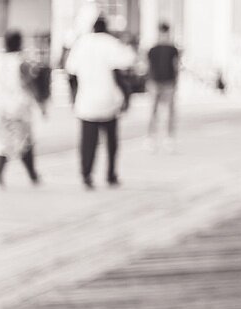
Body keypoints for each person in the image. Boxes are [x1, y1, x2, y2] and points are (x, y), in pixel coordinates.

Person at [65, 16, 133, 190]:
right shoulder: (111, 43)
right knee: (111, 141)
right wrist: (126, 96)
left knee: (88, 142)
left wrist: (72, 97)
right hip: (109, 99)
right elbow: (119, 73)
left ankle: (86, 175)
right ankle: (110, 174)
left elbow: (71, 74)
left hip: (86, 101)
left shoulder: (81, 43)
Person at [0, 29, 41, 187]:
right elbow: (29, 84)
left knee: (0, 142)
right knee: (25, 142)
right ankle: (32, 174)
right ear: (19, 43)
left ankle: (0, 176)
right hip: (18, 106)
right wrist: (40, 103)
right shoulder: (21, 61)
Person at [145, 22, 180, 152]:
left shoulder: (169, 49)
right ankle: (156, 138)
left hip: (164, 82)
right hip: (160, 82)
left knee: (163, 112)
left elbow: (175, 67)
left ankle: (164, 139)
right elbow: (176, 67)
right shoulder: (155, 49)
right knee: (158, 112)